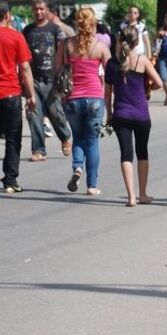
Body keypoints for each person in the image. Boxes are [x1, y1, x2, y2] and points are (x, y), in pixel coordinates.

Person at [104, 25, 162, 207]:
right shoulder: (142, 61)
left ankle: (130, 197)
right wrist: (147, 87)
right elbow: (159, 83)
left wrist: (109, 114)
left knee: (126, 155)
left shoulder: (112, 64)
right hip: (141, 115)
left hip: (121, 114)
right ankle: (143, 194)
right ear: (137, 43)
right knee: (142, 153)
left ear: (121, 41)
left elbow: (107, 93)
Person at [58, 7, 111, 196]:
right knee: (92, 141)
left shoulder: (66, 45)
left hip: (72, 98)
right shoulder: (100, 47)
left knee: (78, 137)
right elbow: (111, 74)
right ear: (93, 23)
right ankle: (91, 185)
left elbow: (57, 69)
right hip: (95, 98)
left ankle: (77, 168)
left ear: (76, 23)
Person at [23, 0, 71, 162]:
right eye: (35, 9)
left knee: (54, 112)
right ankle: (39, 150)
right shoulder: (27, 31)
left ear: (47, 10)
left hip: (52, 78)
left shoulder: (55, 29)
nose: (38, 12)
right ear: (32, 10)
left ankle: (65, 137)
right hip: (33, 79)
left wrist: (64, 74)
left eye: (41, 9)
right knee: (34, 113)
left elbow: (64, 51)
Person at [0, 1, 36, 193]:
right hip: (10, 93)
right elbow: (24, 67)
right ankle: (10, 180)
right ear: (8, 15)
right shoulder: (16, 37)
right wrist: (31, 95)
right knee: (13, 138)